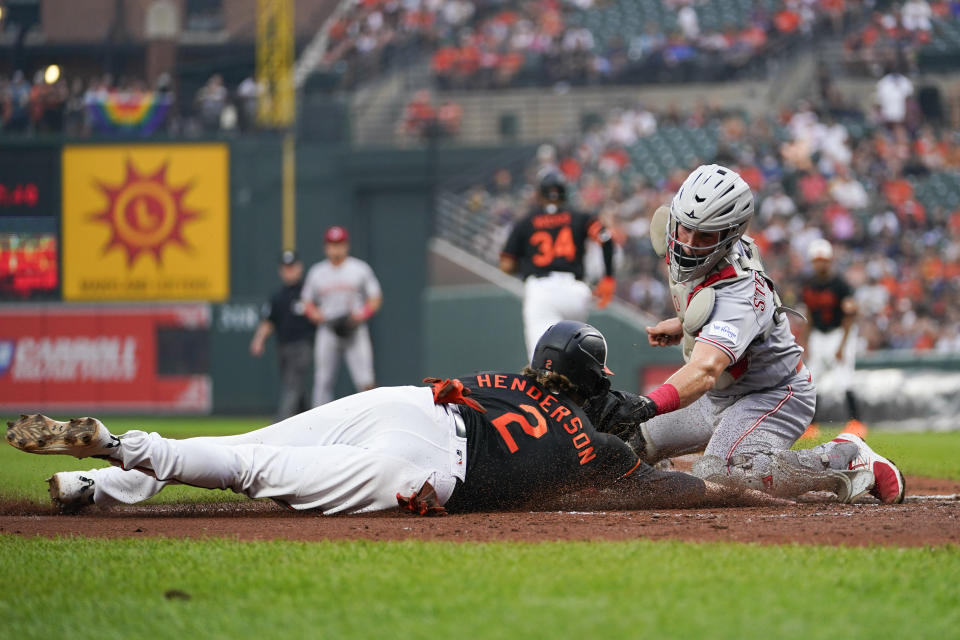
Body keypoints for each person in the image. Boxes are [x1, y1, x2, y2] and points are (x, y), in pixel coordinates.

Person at [7, 321, 777, 515]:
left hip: (407, 403)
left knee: (242, 444)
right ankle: (121, 447)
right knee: (251, 474)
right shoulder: (600, 446)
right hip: (423, 473)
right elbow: (659, 488)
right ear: (588, 381)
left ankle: (99, 472)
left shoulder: (511, 379)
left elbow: (572, 392)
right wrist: (733, 494)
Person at [601, 164, 904, 504]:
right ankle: (664, 476)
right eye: (684, 228)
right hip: (717, 396)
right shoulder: (707, 251)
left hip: (769, 395)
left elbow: (705, 370)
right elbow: (707, 300)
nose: (687, 244)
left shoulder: (740, 291)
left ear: (729, 236)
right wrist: (684, 323)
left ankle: (844, 456)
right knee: (625, 442)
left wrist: (645, 403)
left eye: (703, 236)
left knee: (721, 473)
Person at [500, 170, 617, 361]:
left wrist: (528, 267)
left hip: (542, 290)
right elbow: (606, 239)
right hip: (576, 292)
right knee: (572, 358)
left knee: (541, 361)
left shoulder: (525, 222)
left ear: (539, 194)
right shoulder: (580, 217)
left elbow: (506, 264)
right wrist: (608, 278)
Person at [301, 226, 382, 407]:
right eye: (332, 244)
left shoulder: (359, 268)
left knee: (365, 379)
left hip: (354, 328)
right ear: (326, 247)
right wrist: (315, 314)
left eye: (339, 244)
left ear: (346, 245)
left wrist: (361, 315)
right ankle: (318, 423)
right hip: (328, 328)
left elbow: (375, 298)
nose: (336, 248)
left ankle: (372, 415)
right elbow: (306, 301)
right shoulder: (317, 272)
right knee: (322, 380)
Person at [798, 239, 866, 439]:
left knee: (844, 378)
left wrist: (842, 345)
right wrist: (806, 341)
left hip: (838, 333)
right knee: (813, 380)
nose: (820, 264)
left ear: (829, 261)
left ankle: (856, 422)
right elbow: (808, 316)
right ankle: (812, 425)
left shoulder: (840, 285)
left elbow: (850, 316)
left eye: (823, 260)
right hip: (819, 335)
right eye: (817, 260)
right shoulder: (809, 285)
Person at [249, 250, 315, 421]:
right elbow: (268, 321)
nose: (289, 271)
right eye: (286, 268)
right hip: (283, 346)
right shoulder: (277, 296)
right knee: (295, 386)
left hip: (303, 345)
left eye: (292, 267)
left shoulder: (308, 293)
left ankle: (281, 421)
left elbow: (319, 316)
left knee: (292, 383)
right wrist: (258, 340)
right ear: (281, 270)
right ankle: (308, 418)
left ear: (299, 268)